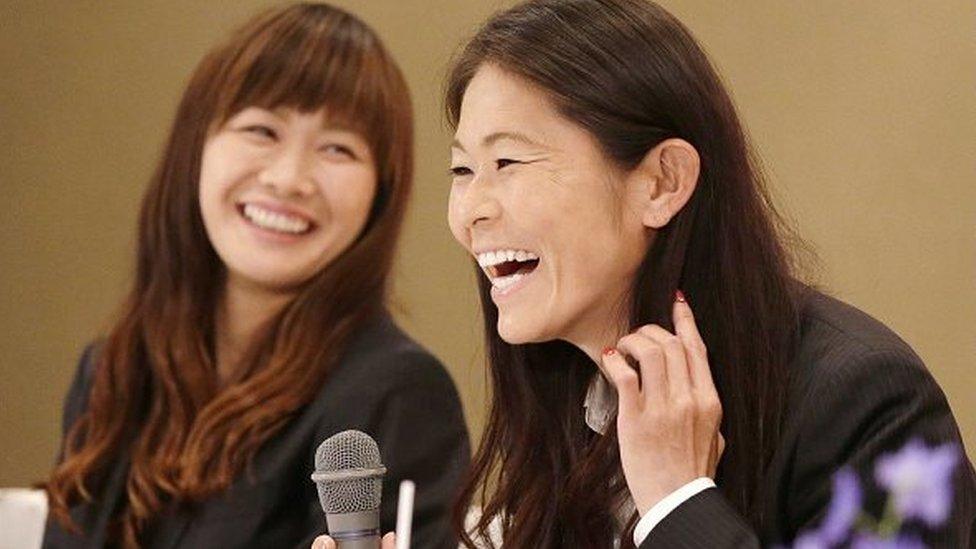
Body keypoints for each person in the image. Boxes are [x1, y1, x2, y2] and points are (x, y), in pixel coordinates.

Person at [439, 0, 975, 547]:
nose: (469, 212)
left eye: (507, 162)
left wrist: (679, 504)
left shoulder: (864, 401)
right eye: (462, 170)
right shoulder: (566, 393)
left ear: (662, 183)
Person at [42, 4, 469, 548]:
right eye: (262, 130)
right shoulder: (111, 371)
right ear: (195, 147)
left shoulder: (395, 393)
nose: (290, 179)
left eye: (337, 148)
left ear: (380, 194)